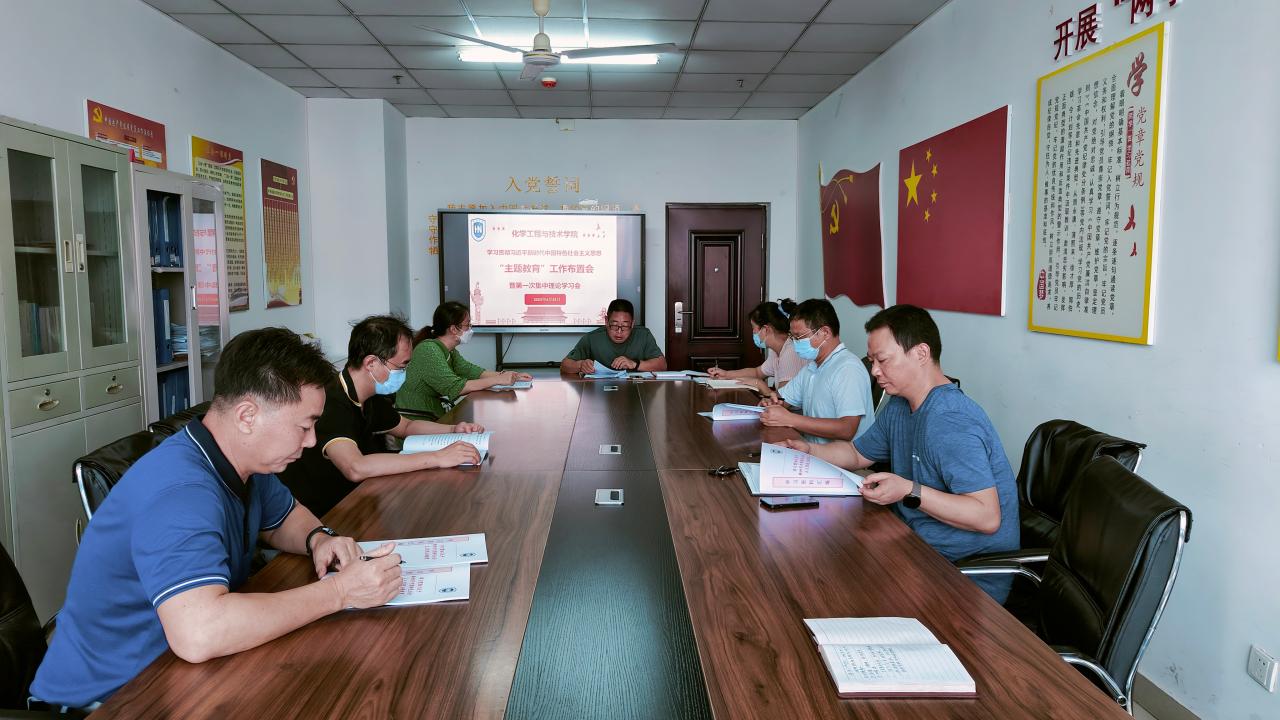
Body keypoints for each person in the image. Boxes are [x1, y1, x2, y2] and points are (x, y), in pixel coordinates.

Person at [30, 328, 403, 711]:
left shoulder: (242, 460)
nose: (310, 441)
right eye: (304, 426)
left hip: (180, 674)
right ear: (247, 416)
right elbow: (200, 632)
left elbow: (284, 517)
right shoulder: (181, 491)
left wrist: (319, 538)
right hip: (109, 698)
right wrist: (341, 592)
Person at [783, 304, 1018, 598]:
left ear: (921, 353)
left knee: (829, 581)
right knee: (814, 556)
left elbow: (986, 517)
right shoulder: (899, 404)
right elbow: (856, 454)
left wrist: (909, 490)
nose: (874, 371)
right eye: (872, 361)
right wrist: (807, 450)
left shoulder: (950, 419)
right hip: (913, 543)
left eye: (882, 360)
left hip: (962, 576)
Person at [280, 314, 484, 517]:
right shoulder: (331, 401)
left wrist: (454, 430)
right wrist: (438, 457)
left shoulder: (369, 395)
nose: (404, 372)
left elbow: (406, 427)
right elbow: (355, 467)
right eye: (402, 366)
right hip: (327, 511)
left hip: (361, 498)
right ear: (371, 363)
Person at [759, 298, 875, 444]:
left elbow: (847, 429)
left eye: (799, 337)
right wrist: (771, 402)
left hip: (844, 457)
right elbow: (783, 399)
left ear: (825, 332)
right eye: (792, 337)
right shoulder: (811, 368)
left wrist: (790, 419)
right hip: (812, 450)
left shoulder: (847, 368)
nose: (795, 343)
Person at [397, 301, 533, 420]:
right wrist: (498, 380)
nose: (470, 329)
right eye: (467, 325)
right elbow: (456, 387)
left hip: (432, 413)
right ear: (453, 329)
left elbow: (472, 371)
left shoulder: (448, 351)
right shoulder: (428, 350)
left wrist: (512, 376)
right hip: (417, 418)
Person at [706, 299, 806, 393]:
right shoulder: (778, 350)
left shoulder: (790, 352)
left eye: (754, 328)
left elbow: (783, 401)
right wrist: (726, 374)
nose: (753, 332)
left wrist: (759, 384)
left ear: (766, 329)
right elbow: (757, 372)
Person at [559, 298, 667, 374]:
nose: (619, 331)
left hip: (636, 390)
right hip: (600, 392)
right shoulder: (592, 338)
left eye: (625, 326)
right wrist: (581, 365)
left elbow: (662, 365)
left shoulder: (644, 335)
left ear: (632, 324)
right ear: (606, 321)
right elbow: (565, 365)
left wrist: (634, 364)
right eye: (614, 325)